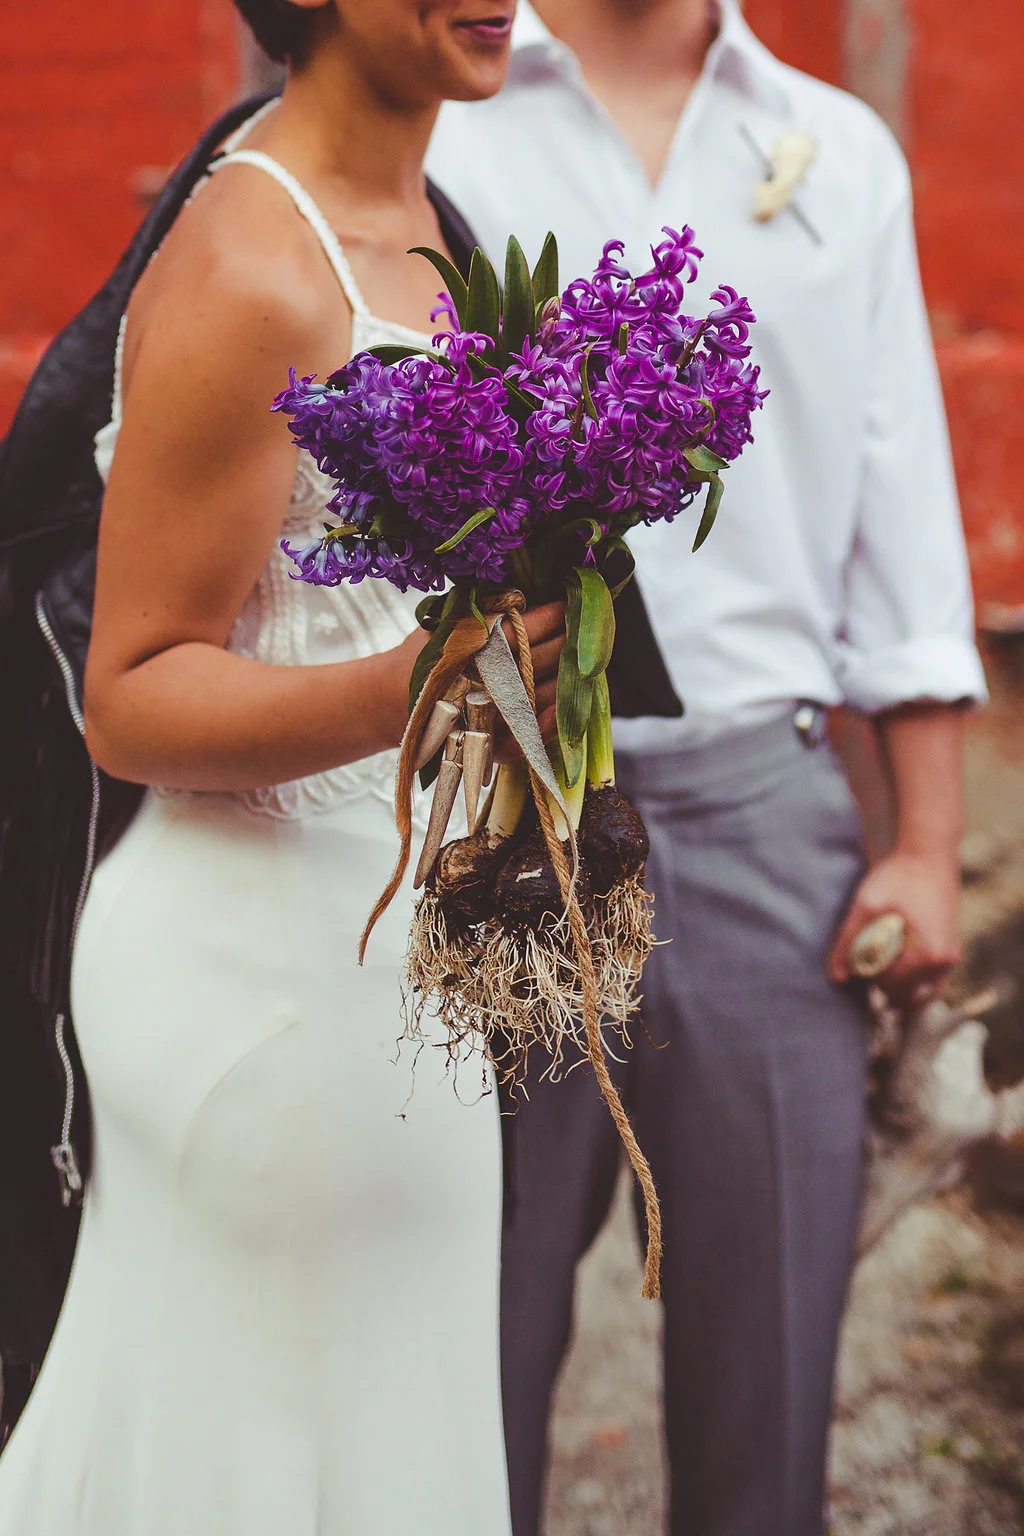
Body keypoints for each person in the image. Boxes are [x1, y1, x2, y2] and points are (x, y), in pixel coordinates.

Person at [0, 2, 567, 1531]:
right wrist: (413, 686)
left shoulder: (441, 234)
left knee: (391, 1441)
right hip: (264, 976)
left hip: (404, 959)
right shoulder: (251, 265)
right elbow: (128, 693)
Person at [427, 3, 987, 1533]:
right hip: (500, 803)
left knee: (769, 1377)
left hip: (767, 820)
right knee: (456, 1365)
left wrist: (922, 844)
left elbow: (902, 514)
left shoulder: (837, 153)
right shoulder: (441, 110)